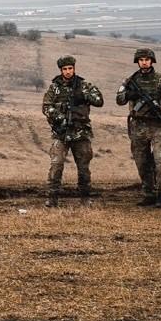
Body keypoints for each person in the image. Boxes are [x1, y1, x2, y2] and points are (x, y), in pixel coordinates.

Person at [115, 47, 161, 207]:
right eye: (141, 60)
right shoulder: (130, 81)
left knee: (160, 160)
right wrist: (129, 94)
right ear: (137, 62)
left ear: (152, 61)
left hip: (157, 125)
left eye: (147, 60)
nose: (144, 62)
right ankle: (148, 193)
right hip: (138, 125)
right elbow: (119, 99)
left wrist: (160, 109)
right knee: (141, 161)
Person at [41, 55, 104, 207]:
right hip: (61, 132)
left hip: (80, 132)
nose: (68, 71)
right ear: (61, 70)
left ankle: (85, 198)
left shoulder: (84, 85)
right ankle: (53, 197)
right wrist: (59, 116)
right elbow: (46, 107)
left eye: (70, 68)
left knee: (83, 167)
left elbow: (99, 101)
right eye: (65, 69)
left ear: (74, 69)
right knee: (56, 165)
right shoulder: (54, 88)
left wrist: (85, 95)